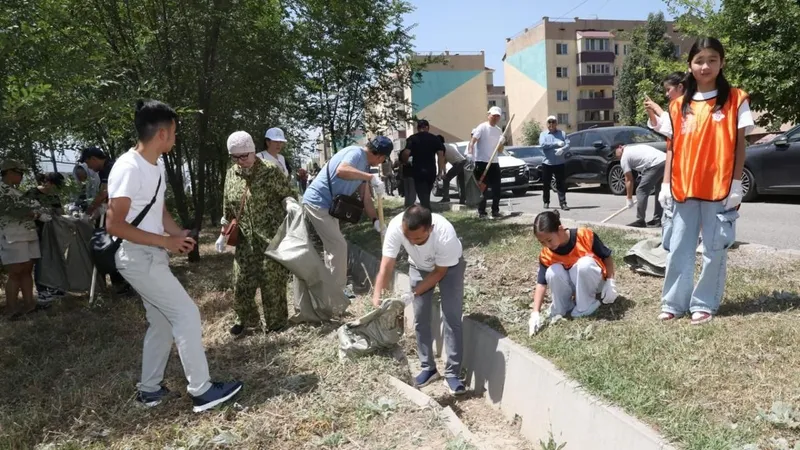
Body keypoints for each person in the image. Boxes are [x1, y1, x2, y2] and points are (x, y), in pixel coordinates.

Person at [107, 99, 242, 412]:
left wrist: (176, 234)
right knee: (186, 315)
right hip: (136, 257)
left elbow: (158, 208)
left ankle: (150, 391)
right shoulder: (128, 167)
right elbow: (114, 223)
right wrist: (164, 241)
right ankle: (202, 391)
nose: (176, 138)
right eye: (175, 133)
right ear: (162, 135)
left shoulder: (154, 165)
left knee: (163, 323)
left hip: (149, 253)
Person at [650, 37, 754, 325]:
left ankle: (704, 303)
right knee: (679, 247)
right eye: (699, 61)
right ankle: (673, 302)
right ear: (689, 65)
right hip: (684, 187)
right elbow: (672, 146)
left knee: (713, 248)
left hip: (719, 188)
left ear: (722, 63)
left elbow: (740, 146)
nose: (705, 66)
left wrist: (735, 185)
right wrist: (665, 185)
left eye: (712, 60)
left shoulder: (736, 99)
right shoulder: (678, 105)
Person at [372, 205, 466, 395]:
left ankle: (452, 374)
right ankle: (428, 368)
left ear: (430, 229)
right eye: (408, 238)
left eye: (419, 239)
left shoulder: (444, 234)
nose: (413, 243)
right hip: (418, 267)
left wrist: (413, 293)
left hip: (449, 268)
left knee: (451, 317)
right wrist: (376, 297)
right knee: (420, 318)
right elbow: (387, 264)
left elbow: (440, 273)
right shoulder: (396, 227)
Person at [217, 131, 295, 338]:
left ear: (253, 151)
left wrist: (290, 204)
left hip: (270, 238)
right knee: (241, 281)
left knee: (273, 283)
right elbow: (228, 206)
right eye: (235, 157)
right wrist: (223, 230)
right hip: (245, 240)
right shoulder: (231, 174)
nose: (240, 161)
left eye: (245, 156)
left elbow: (288, 194)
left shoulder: (270, 171)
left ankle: (276, 324)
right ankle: (246, 321)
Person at [302, 137, 390, 294]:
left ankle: (332, 290)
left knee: (334, 248)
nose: (381, 163)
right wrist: (370, 177)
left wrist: (375, 220)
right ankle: (338, 294)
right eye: (383, 160)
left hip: (329, 207)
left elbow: (366, 197)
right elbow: (341, 170)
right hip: (318, 202)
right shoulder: (355, 153)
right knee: (338, 246)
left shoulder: (366, 167)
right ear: (381, 156)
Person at [528, 210, 617, 336]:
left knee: (584, 264)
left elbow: (606, 257)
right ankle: (562, 306)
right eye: (542, 242)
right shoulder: (546, 254)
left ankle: (586, 304)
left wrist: (610, 281)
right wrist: (535, 313)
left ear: (560, 229)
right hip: (574, 284)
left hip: (595, 282)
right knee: (552, 272)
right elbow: (541, 283)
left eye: (549, 240)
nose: (547, 245)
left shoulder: (585, 235)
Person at [79, 146, 133, 296]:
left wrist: (90, 210)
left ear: (93, 159)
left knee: (111, 245)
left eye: (89, 164)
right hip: (116, 210)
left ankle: (122, 282)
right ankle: (118, 282)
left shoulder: (109, 168)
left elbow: (104, 192)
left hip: (119, 213)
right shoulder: (108, 167)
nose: (90, 167)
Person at [1, 160, 49, 320]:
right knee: (15, 272)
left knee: (27, 270)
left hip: (28, 234)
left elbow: (36, 206)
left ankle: (30, 305)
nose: (21, 176)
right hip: (12, 236)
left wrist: (37, 211)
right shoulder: (2, 190)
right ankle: (11, 309)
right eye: (18, 172)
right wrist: (36, 213)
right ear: (8, 172)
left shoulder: (17, 192)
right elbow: (14, 209)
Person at [25, 172, 66, 303]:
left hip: (50, 232)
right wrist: (38, 215)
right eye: (54, 185)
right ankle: (42, 290)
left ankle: (53, 287)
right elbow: (22, 211)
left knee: (52, 258)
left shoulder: (54, 196)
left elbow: (60, 213)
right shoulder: (32, 193)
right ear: (48, 182)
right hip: (35, 231)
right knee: (39, 261)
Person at [614, 142, 666, 228]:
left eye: (615, 153)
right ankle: (657, 220)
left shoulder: (624, 157)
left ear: (620, 147)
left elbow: (629, 179)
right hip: (665, 159)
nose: (617, 156)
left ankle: (640, 220)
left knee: (641, 190)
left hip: (655, 163)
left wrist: (629, 198)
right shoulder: (632, 148)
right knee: (658, 189)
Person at [467, 107, 506, 218]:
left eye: (497, 116)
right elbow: (472, 141)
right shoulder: (482, 127)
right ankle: (482, 212)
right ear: (488, 115)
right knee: (482, 188)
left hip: (494, 162)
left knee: (497, 188)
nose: (495, 118)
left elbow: (500, 150)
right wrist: (470, 153)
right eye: (493, 115)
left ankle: (495, 211)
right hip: (481, 162)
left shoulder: (498, 130)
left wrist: (502, 142)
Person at [403, 120, 446, 209]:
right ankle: (426, 213)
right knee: (426, 194)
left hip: (418, 171)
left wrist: (404, 161)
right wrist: (440, 171)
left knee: (423, 196)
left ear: (418, 128)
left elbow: (406, 153)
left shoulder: (413, 138)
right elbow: (441, 155)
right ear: (427, 127)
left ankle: (426, 214)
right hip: (431, 171)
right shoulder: (435, 139)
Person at [538, 115, 570, 211]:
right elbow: (543, 144)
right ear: (547, 124)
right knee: (546, 184)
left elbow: (568, 144)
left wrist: (562, 149)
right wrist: (556, 144)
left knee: (560, 184)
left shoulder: (562, 134)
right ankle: (546, 201)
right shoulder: (543, 134)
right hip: (547, 163)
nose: (551, 124)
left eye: (553, 122)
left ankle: (563, 203)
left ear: (556, 123)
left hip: (559, 162)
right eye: (549, 122)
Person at [438, 135, 466, 204]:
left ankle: (446, 198)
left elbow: (441, 160)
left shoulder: (441, 147)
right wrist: (444, 172)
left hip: (458, 164)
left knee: (446, 179)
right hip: (463, 162)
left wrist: (441, 173)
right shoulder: (447, 145)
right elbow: (444, 161)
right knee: (461, 182)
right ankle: (463, 200)